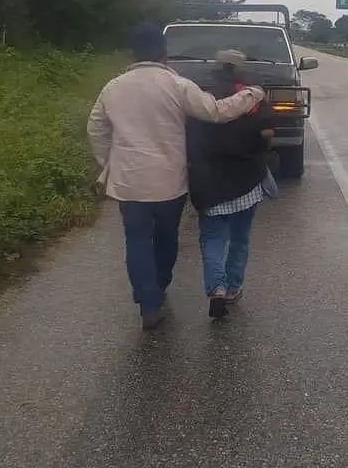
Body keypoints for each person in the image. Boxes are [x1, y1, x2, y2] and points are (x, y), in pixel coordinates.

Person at [87, 25, 265, 330]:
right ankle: (160, 283)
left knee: (137, 241)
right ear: (163, 52)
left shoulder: (113, 87)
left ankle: (149, 302)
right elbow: (216, 111)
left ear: (133, 53)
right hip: (169, 182)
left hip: (129, 182)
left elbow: (96, 129)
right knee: (166, 237)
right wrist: (251, 94)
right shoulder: (176, 84)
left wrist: (109, 165)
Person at [186, 49, 279, 320]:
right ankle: (233, 288)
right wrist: (260, 149)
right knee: (239, 237)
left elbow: (185, 131)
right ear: (240, 69)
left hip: (207, 179)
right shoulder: (252, 97)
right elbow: (268, 133)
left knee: (214, 238)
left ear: (216, 67)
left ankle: (216, 288)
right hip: (246, 179)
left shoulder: (198, 95)